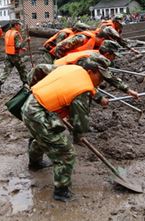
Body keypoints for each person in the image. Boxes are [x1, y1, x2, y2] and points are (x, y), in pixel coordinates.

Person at [21, 63, 110, 202]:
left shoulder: (75, 69)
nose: (102, 81)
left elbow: (41, 68)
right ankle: (61, 192)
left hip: (31, 103)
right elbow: (80, 121)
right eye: (100, 77)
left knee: (45, 139)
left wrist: (99, 98)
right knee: (65, 152)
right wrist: (78, 135)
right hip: (39, 114)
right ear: (91, 72)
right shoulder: (82, 90)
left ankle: (35, 163)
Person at [0, 20, 29, 94]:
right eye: (19, 25)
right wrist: (26, 40)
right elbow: (18, 45)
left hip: (7, 55)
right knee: (22, 69)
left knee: (6, 71)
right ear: (16, 25)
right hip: (14, 56)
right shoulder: (16, 34)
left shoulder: (7, 33)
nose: (20, 27)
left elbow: (11, 44)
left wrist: (21, 49)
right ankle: (26, 84)